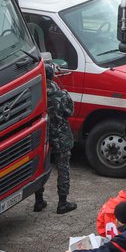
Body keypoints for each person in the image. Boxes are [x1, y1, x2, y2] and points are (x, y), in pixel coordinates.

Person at [36, 62, 76, 213]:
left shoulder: (36, 94)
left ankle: (39, 201)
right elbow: (70, 112)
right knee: (63, 168)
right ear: (52, 76)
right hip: (60, 136)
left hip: (41, 136)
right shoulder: (61, 95)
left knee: (40, 167)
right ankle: (62, 202)